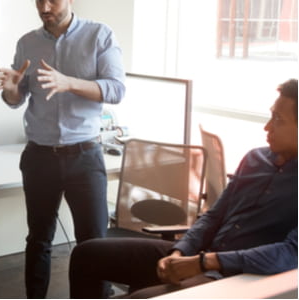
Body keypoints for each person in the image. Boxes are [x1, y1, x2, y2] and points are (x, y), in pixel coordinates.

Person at [69, 78, 298, 298]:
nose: (267, 127)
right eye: (270, 116)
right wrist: (180, 251)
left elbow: (291, 254)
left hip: (235, 275)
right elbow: (214, 216)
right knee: (86, 254)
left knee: (140, 298)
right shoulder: (254, 159)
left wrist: (205, 262)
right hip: (200, 255)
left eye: (278, 119)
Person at [0, 0, 126, 298]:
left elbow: (115, 89)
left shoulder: (99, 35)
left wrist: (69, 83)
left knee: (92, 243)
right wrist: (11, 89)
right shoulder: (27, 43)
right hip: (40, 156)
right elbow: (16, 99)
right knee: (38, 239)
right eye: (38, 0)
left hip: (85, 155)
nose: (45, 8)